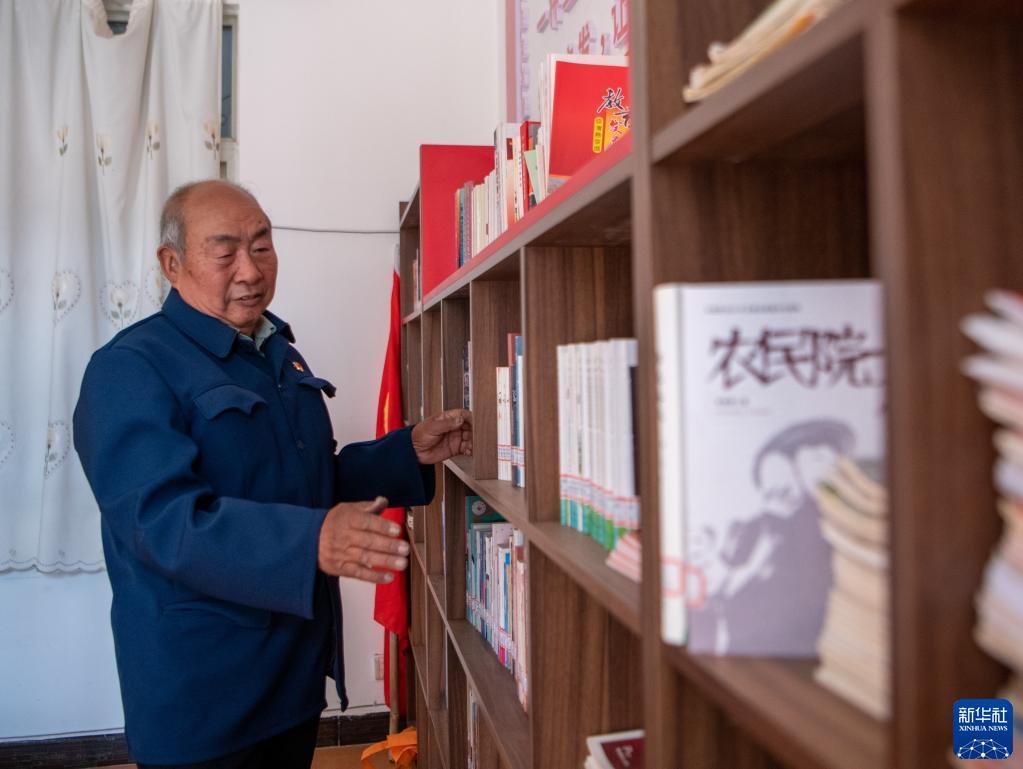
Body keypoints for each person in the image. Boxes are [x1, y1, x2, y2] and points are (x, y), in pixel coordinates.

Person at [72, 180, 472, 769]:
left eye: (262, 246)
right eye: (225, 251)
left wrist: (405, 452)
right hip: (204, 693)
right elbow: (162, 523)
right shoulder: (130, 369)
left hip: (292, 675)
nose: (251, 270)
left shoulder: (275, 350)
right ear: (171, 263)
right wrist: (312, 541)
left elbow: (305, 481)